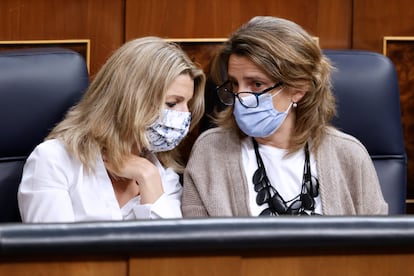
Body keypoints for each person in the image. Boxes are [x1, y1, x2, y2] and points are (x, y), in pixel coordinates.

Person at [182, 16, 388, 216]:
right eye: (235, 84)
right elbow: (198, 247)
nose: (241, 97)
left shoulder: (349, 155)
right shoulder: (210, 151)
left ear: (298, 88)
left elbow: (378, 245)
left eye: (256, 84)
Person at [18, 36, 205, 222]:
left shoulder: (163, 175)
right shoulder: (54, 160)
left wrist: (148, 178)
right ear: (129, 100)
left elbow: (166, 250)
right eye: (172, 103)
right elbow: (53, 249)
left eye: (187, 104)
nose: (185, 116)